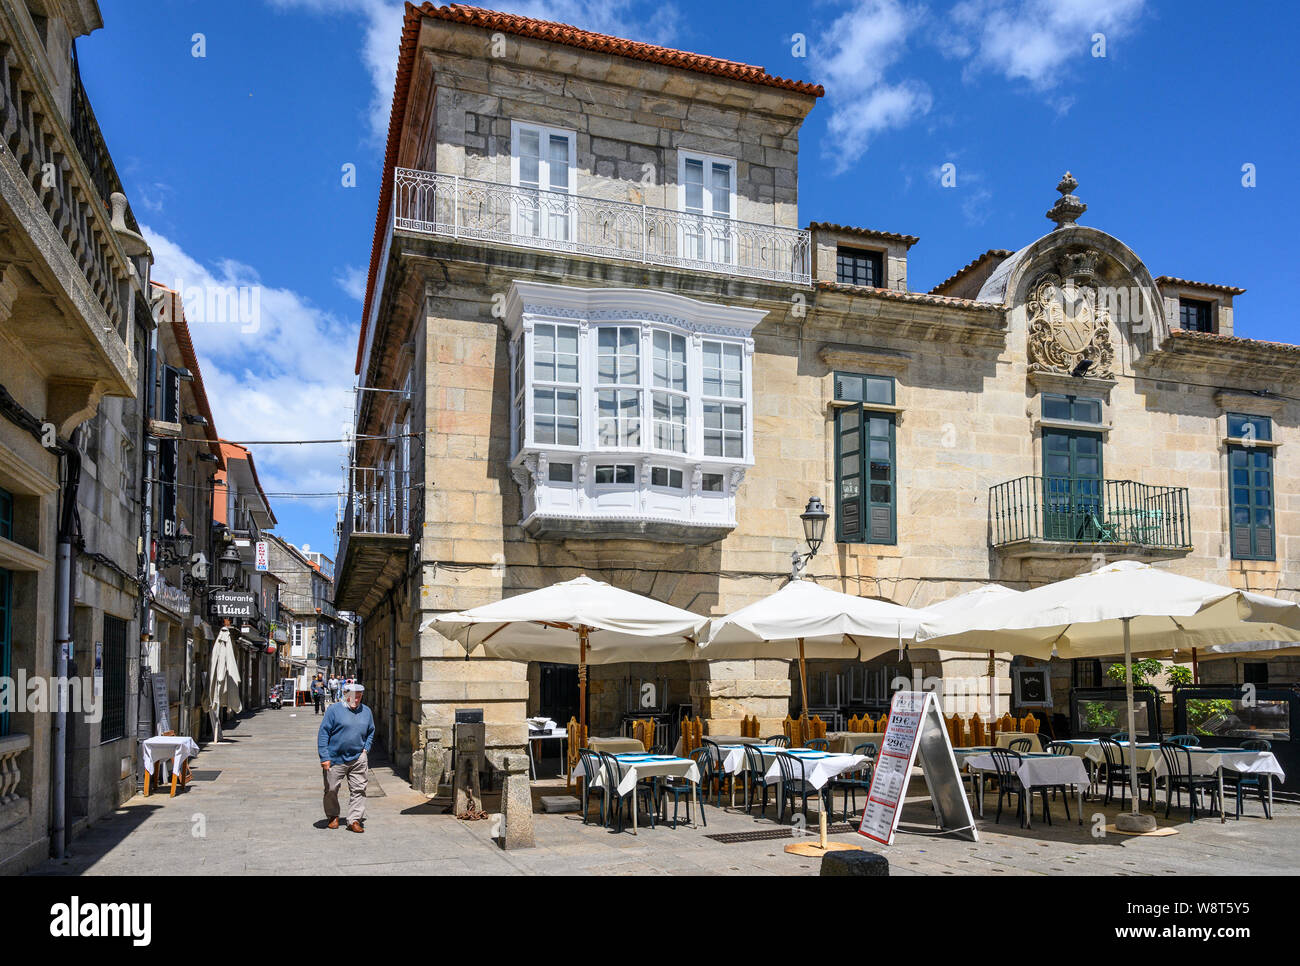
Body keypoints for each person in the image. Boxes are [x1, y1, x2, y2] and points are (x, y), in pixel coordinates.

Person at [318, 682, 374, 832]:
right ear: (345, 695)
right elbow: (324, 733)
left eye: (359, 696)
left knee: (359, 789)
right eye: (353, 696)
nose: (356, 699)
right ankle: (333, 816)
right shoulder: (334, 710)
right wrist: (324, 757)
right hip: (335, 757)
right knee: (331, 789)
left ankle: (354, 820)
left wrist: (365, 750)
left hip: (358, 758)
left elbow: (371, 731)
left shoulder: (367, 711)